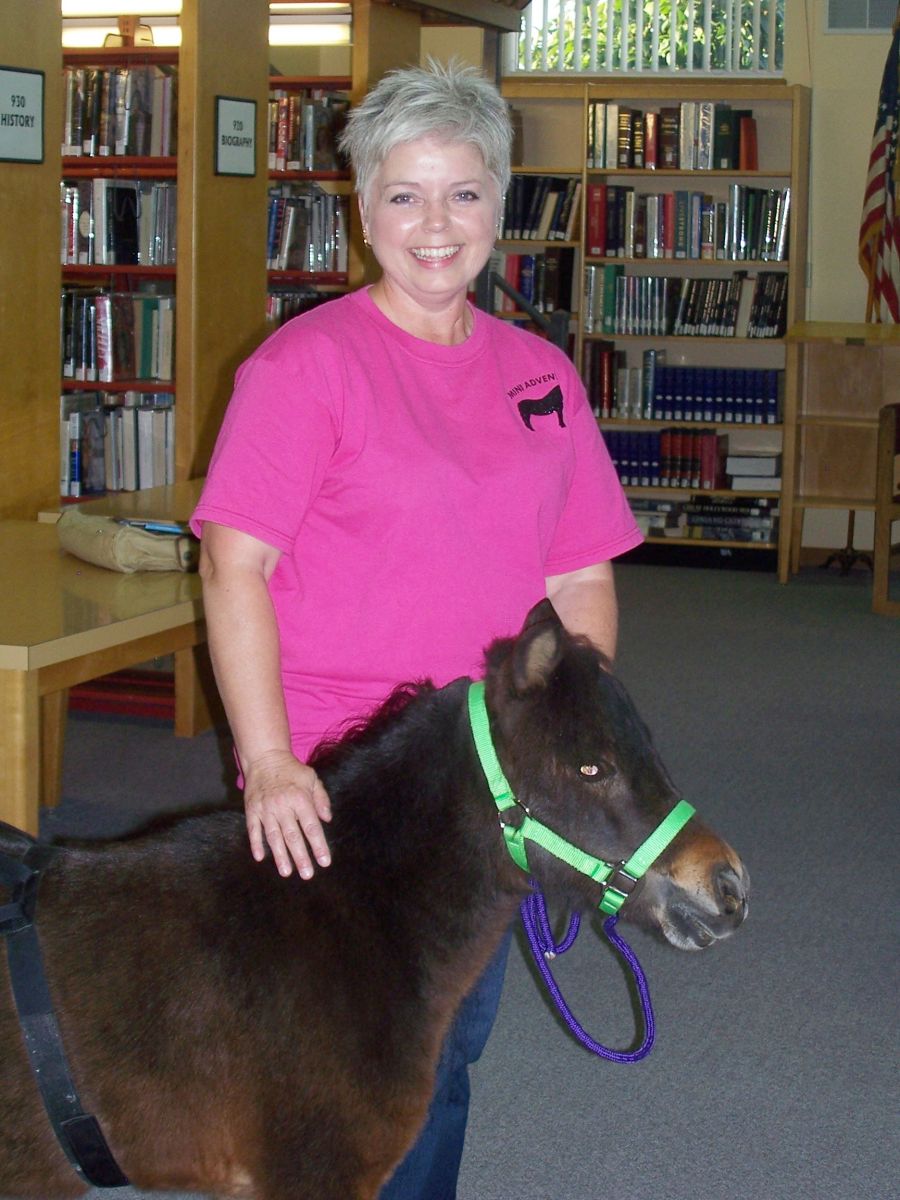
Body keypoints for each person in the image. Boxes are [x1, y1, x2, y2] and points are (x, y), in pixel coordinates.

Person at [191, 59, 643, 1199]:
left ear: (501, 202)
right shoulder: (304, 368)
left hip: (482, 785)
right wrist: (272, 763)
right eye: (403, 195)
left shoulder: (541, 377)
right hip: (344, 780)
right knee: (339, 1067)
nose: (434, 226)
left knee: (445, 1055)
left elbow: (581, 579)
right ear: (360, 209)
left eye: (462, 193)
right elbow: (233, 566)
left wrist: (558, 759)